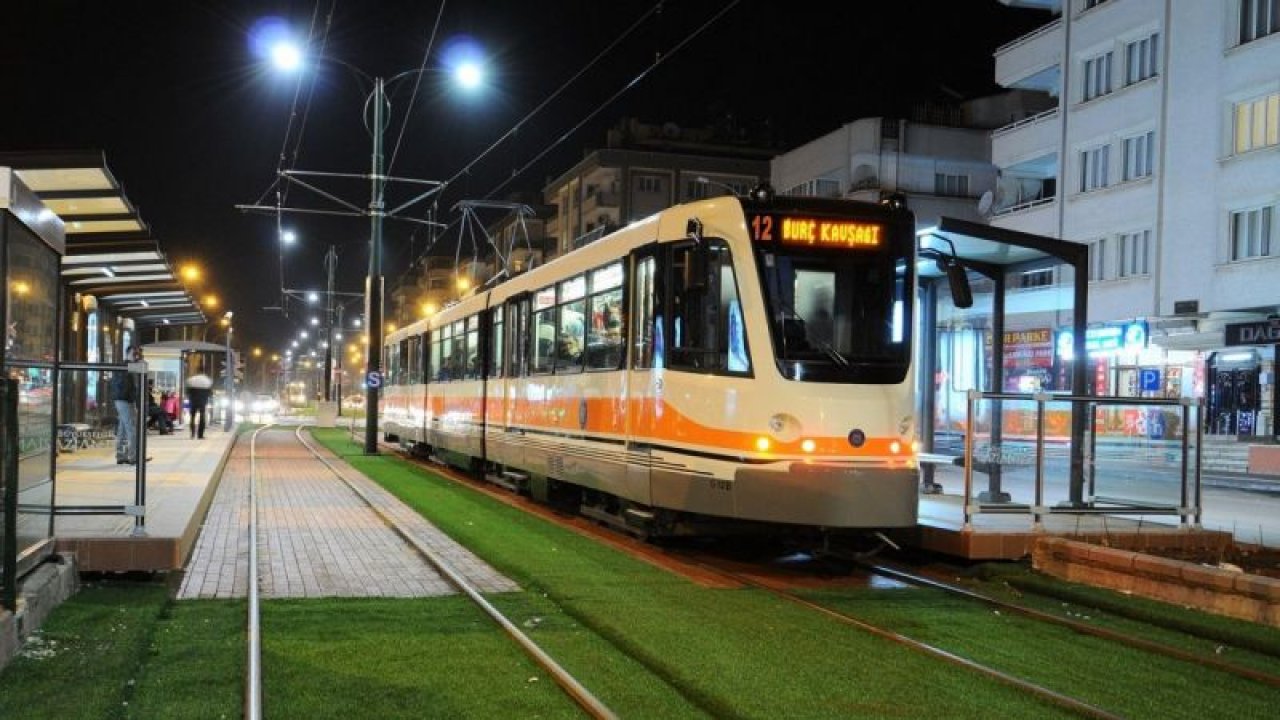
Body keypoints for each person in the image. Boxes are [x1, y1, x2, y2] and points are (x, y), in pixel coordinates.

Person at [110, 345, 142, 464]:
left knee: (122, 428)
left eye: (137, 354)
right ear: (128, 353)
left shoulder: (127, 366)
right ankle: (133, 457)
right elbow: (129, 387)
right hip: (125, 400)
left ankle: (120, 456)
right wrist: (133, 401)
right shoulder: (127, 367)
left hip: (122, 400)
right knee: (131, 428)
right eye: (134, 354)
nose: (136, 357)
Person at [186, 365, 213, 439]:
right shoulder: (207, 380)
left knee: (192, 417)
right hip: (202, 401)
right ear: (203, 371)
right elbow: (210, 393)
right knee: (202, 417)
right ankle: (200, 435)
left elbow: (188, 391)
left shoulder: (191, 380)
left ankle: (192, 434)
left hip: (193, 400)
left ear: (197, 371)